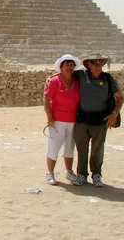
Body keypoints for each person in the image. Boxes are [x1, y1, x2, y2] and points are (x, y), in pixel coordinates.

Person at [72, 53, 124, 187]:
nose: (98, 66)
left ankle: (96, 174)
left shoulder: (108, 78)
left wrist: (114, 114)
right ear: (88, 64)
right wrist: (51, 79)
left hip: (101, 120)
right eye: (95, 63)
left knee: (97, 149)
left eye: (100, 63)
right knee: (81, 149)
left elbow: (120, 97)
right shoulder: (80, 75)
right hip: (82, 119)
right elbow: (64, 75)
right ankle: (81, 175)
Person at [43, 54, 81, 185]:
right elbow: (46, 99)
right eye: (67, 65)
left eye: (71, 65)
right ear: (61, 67)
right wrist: (49, 117)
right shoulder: (54, 81)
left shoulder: (76, 83)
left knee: (69, 148)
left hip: (72, 121)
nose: (70, 68)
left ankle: (69, 172)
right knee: (53, 148)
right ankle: (50, 173)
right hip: (57, 121)